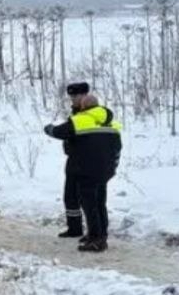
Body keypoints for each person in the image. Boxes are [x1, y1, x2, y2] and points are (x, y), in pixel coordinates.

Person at [44, 90, 122, 252]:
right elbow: (117, 147)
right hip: (105, 171)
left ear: (83, 107)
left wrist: (48, 128)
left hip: (86, 171)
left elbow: (58, 132)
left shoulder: (80, 120)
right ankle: (101, 234)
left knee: (89, 204)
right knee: (100, 203)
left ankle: (95, 240)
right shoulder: (111, 124)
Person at [56, 82, 90, 239]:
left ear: (84, 95)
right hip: (74, 159)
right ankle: (74, 228)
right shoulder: (76, 113)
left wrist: (54, 130)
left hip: (85, 161)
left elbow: (68, 130)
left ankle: (94, 232)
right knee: (70, 196)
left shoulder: (89, 113)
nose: (72, 100)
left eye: (75, 96)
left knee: (88, 199)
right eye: (71, 97)